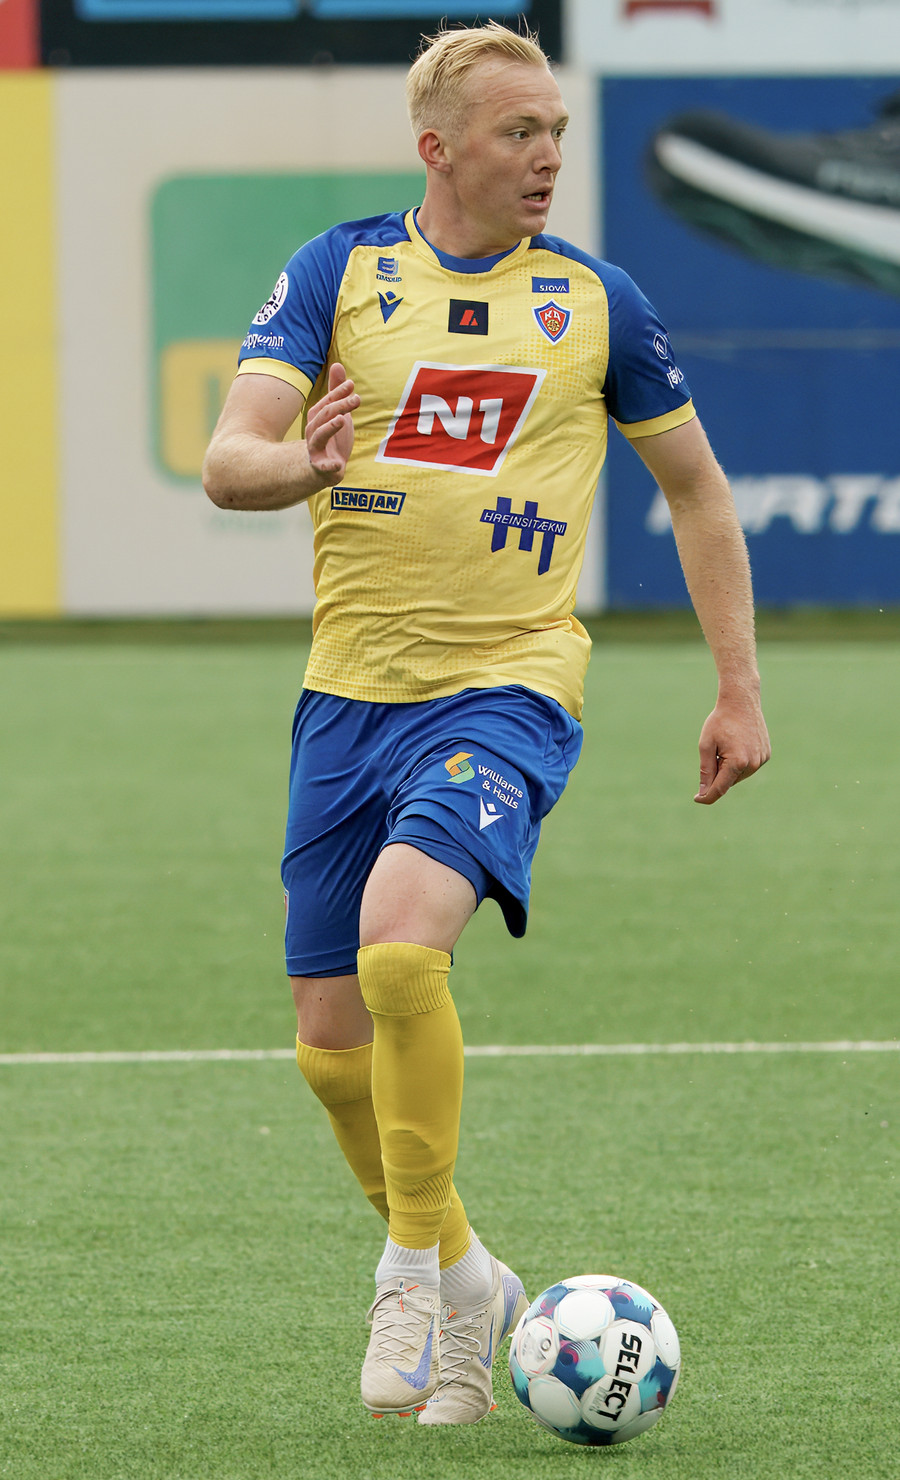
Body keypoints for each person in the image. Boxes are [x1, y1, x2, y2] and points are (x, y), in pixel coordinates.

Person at [202, 20, 770, 1427]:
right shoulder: (340, 272)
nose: (549, 155)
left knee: (403, 949)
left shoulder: (596, 301)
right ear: (438, 147)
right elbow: (228, 460)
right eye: (520, 132)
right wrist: (301, 465)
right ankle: (469, 1278)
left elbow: (697, 491)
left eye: (556, 131)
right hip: (348, 694)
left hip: (508, 684)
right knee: (328, 1049)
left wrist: (738, 687)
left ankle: (408, 1274)